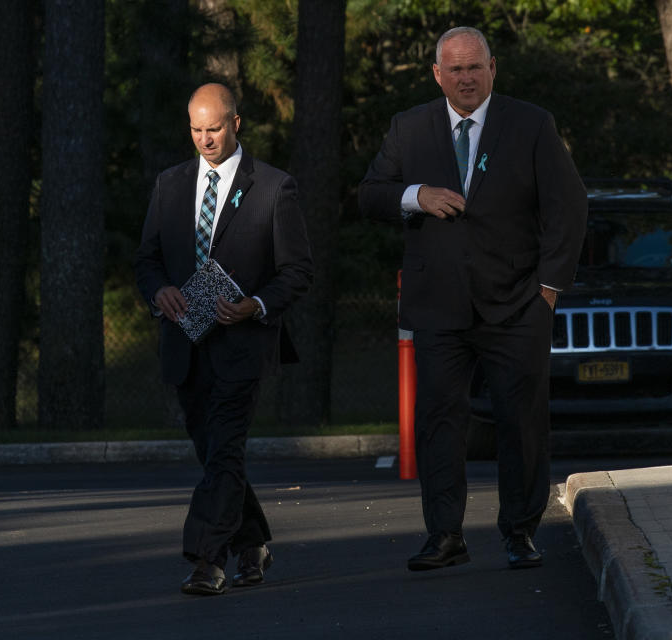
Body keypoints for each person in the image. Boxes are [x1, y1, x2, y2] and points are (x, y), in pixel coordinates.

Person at [358, 27, 587, 570]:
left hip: (517, 305)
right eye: (454, 69)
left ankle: (521, 532)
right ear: (437, 75)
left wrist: (548, 290)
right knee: (439, 423)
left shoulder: (530, 124)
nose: (465, 78)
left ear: (492, 69)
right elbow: (369, 195)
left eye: (474, 68)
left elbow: (568, 206)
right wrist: (417, 196)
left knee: (521, 424)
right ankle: (444, 536)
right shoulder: (409, 129)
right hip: (439, 307)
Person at [135, 83, 313, 595]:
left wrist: (255, 305)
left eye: (214, 128)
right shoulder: (169, 185)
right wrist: (160, 291)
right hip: (186, 345)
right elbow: (146, 259)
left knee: (226, 449)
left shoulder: (274, 187)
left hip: (243, 346)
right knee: (217, 455)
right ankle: (251, 541)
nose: (205, 139)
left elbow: (297, 271)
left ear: (237, 123)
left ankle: (206, 559)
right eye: (196, 129)